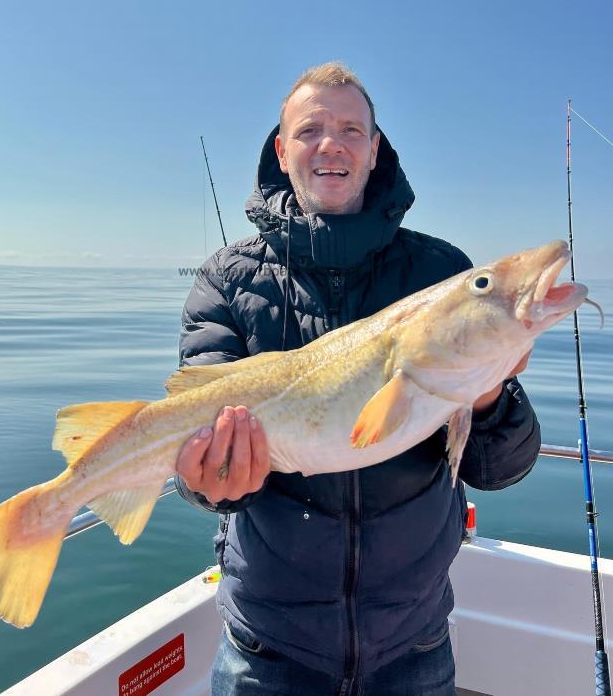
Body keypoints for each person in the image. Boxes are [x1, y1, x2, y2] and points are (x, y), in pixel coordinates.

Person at [174, 63, 540, 695]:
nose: (331, 143)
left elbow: (499, 468)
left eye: (351, 128)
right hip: (267, 647)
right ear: (282, 151)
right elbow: (207, 468)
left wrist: (485, 395)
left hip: (414, 641)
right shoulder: (226, 281)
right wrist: (211, 481)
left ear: (375, 151)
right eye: (310, 128)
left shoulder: (440, 272)